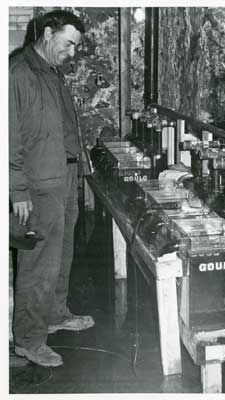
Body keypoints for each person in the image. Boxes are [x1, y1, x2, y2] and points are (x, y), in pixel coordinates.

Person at [9, 10, 95, 368]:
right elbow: (8, 137)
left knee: (62, 256)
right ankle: (28, 340)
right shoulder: (18, 72)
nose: (72, 52)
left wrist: (81, 169)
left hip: (63, 177)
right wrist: (18, 191)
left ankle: (56, 314)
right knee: (38, 264)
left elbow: (63, 127)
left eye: (76, 45)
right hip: (38, 186)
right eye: (68, 43)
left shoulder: (52, 73)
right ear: (47, 33)